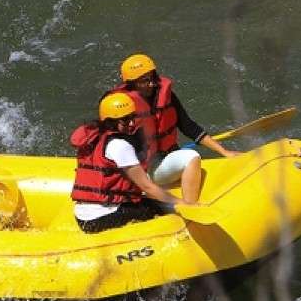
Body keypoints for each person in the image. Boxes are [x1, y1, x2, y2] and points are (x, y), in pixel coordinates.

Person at [112, 53, 239, 204]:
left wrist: (224, 152)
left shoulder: (166, 96)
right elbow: (116, 146)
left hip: (166, 157)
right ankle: (190, 207)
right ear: (132, 84)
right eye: (145, 81)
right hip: (144, 169)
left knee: (187, 156)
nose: (152, 83)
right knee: (192, 156)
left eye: (152, 77)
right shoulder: (123, 108)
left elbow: (188, 126)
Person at [71, 92, 180, 232]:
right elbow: (147, 187)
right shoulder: (120, 145)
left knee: (148, 203)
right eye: (125, 120)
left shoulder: (93, 138)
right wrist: (182, 203)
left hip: (82, 218)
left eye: (132, 117)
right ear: (110, 121)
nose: (132, 123)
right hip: (101, 218)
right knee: (160, 208)